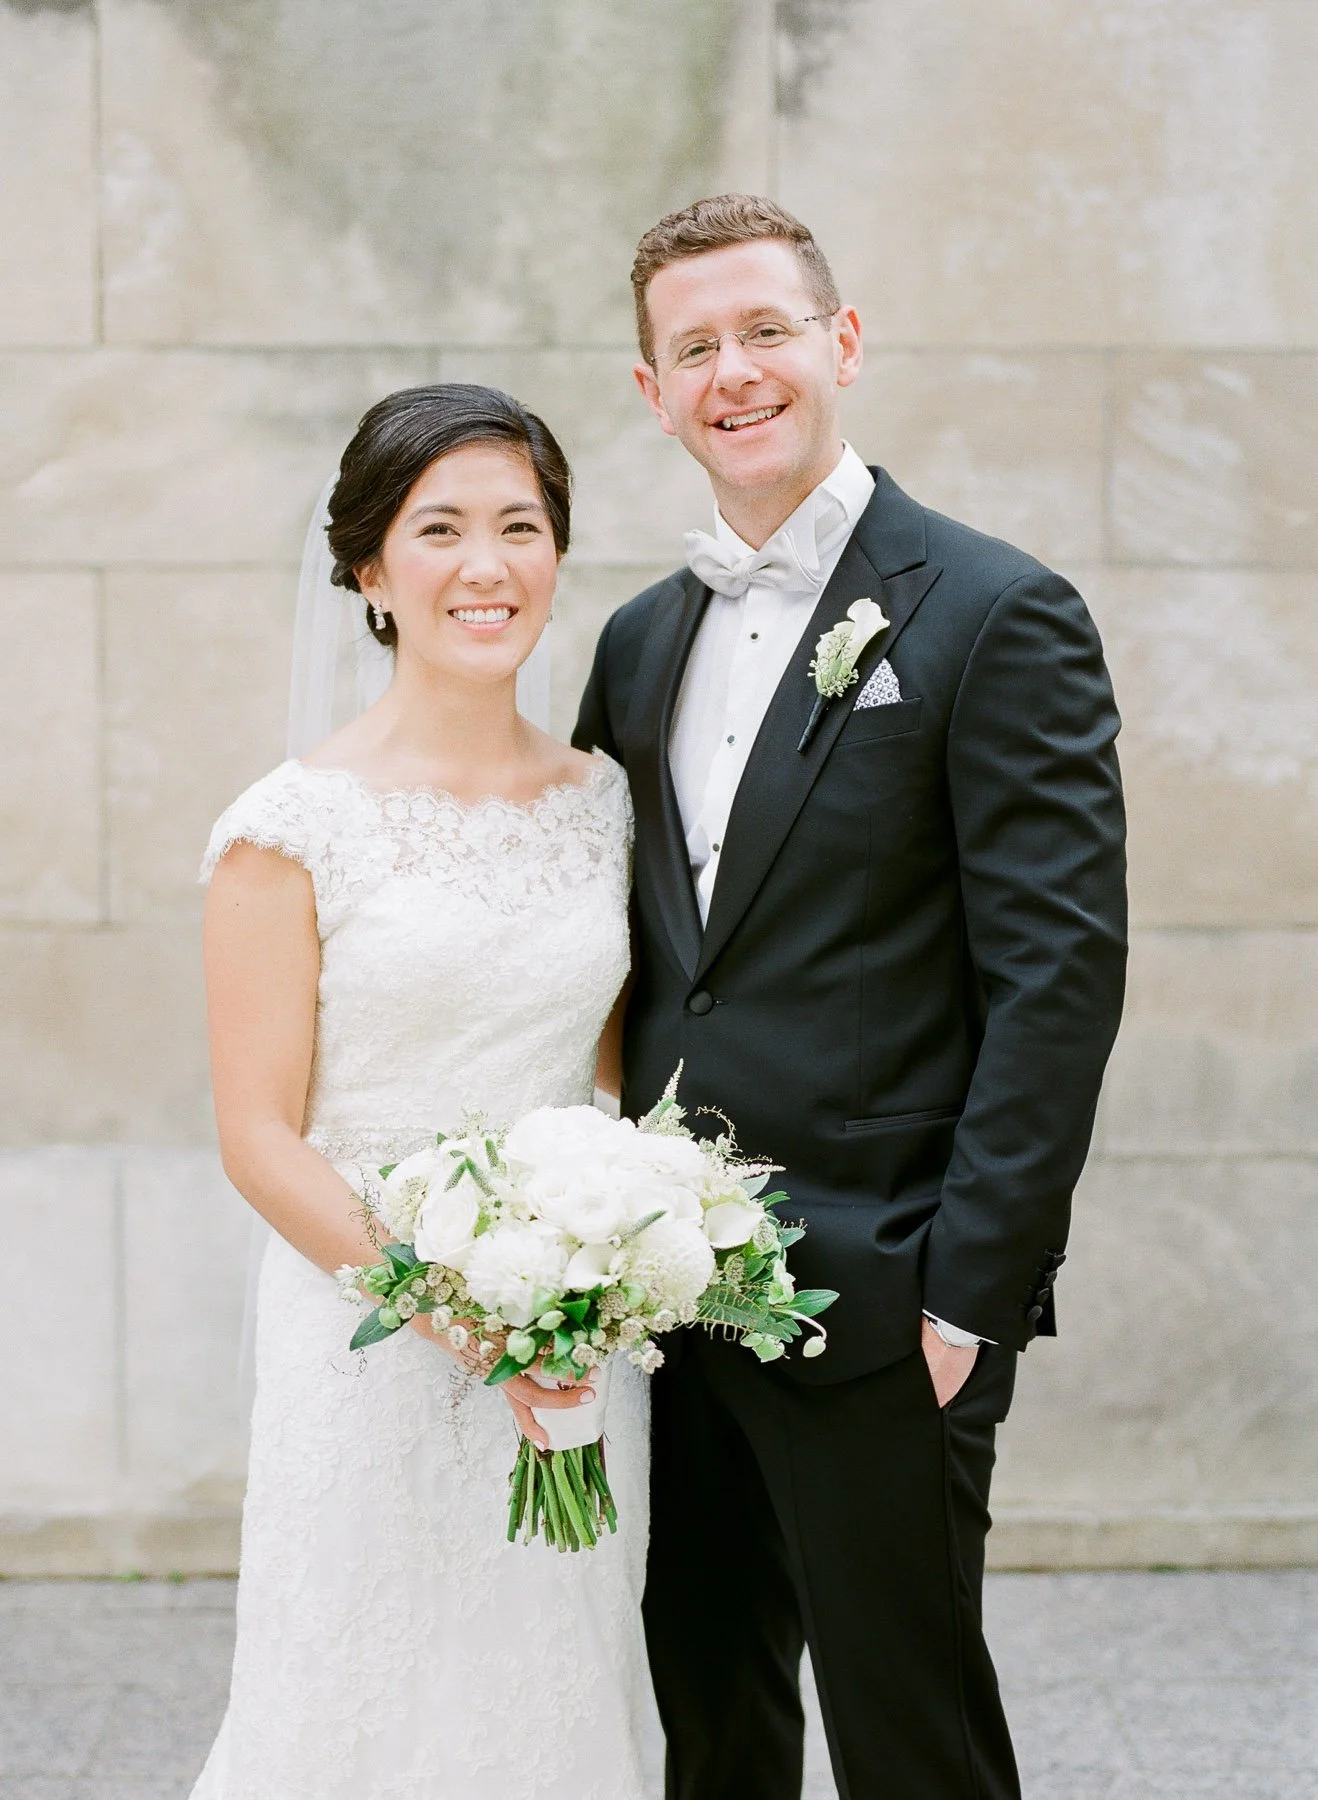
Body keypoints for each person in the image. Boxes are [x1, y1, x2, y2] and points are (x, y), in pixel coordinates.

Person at [574, 194, 1128, 1800]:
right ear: (651, 389)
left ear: (841, 342)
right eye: (693, 348)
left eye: (763, 331)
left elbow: (1056, 972)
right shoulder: (633, 642)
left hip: (885, 1294)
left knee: (911, 1743)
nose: (733, 371)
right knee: (711, 1726)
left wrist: (966, 1288)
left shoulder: (991, 610)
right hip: (664, 1296)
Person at [193, 385, 651, 1800]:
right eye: (438, 528)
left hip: (577, 1330)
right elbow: (258, 1137)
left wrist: (605, 1270)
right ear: (368, 571)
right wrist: (467, 1326)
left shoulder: (605, 803)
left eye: (520, 525)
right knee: (358, 1698)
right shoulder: (289, 828)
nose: (486, 564)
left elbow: (616, 1088)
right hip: (370, 1333)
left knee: (558, 1683)